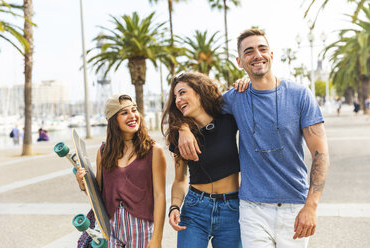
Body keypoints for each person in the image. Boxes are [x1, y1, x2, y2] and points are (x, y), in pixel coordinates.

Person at [178, 29, 330, 248]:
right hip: (252, 209)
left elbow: (321, 153)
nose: (257, 55)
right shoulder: (234, 98)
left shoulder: (300, 95)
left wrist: (311, 206)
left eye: (262, 49)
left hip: (293, 206)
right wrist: (183, 127)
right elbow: (195, 107)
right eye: (249, 52)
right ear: (240, 61)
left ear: (271, 54)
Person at [161, 72, 246, 248]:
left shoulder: (228, 119)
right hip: (195, 208)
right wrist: (174, 207)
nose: (178, 99)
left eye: (182, 92)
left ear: (199, 92)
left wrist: (245, 81)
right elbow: (179, 179)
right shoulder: (180, 135)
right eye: (175, 96)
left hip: (232, 209)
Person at [76, 94, 167, 248]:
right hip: (109, 227)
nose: (132, 116)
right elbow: (98, 195)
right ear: (113, 120)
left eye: (134, 110)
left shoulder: (153, 151)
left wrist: (157, 238)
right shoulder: (104, 151)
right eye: (124, 113)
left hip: (141, 228)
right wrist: (83, 184)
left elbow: (160, 196)